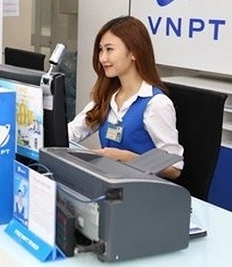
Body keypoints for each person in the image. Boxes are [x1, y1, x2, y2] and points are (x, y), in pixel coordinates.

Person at [67, 16, 183, 180]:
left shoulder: (156, 104)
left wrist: (126, 158)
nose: (103, 58)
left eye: (109, 49)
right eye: (101, 50)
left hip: (140, 189)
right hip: (109, 184)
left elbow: (175, 168)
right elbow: (71, 133)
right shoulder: (106, 97)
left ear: (134, 53)